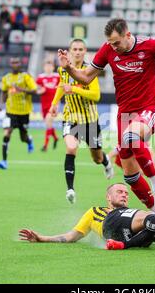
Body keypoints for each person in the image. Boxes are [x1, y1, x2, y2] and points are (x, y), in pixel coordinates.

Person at [57, 14, 155, 215]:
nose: (113, 47)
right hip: (125, 115)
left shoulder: (149, 46)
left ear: (127, 35)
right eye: (110, 43)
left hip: (150, 109)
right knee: (130, 175)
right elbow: (86, 78)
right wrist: (69, 68)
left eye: (116, 43)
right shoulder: (108, 50)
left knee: (131, 137)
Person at [19, 183, 155, 250]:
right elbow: (71, 236)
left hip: (127, 239)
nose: (125, 194)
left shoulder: (133, 216)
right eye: (120, 192)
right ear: (108, 197)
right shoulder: (95, 212)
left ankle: (123, 246)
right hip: (111, 226)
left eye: (126, 192)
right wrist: (42, 237)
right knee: (150, 216)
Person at [49, 39, 114, 204]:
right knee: (71, 147)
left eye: (80, 49)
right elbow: (62, 85)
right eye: (74, 49)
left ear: (85, 51)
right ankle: (70, 189)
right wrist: (54, 104)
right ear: (70, 51)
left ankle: (106, 161)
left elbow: (96, 95)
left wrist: (75, 89)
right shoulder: (63, 69)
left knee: (96, 158)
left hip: (90, 120)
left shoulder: (90, 70)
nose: (77, 52)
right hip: (71, 118)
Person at [0, 57, 37, 170]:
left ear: (20, 63)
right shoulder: (6, 78)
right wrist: (1, 104)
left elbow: (35, 91)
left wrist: (21, 89)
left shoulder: (26, 76)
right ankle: (4, 161)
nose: (15, 64)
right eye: (13, 62)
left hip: (24, 112)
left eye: (17, 62)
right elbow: (3, 91)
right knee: (7, 133)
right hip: (10, 111)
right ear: (10, 64)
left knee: (22, 137)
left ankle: (29, 140)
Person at [36, 60, 60, 152]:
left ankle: (45, 145)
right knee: (48, 124)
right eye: (47, 66)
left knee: (48, 121)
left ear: (53, 67)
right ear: (44, 67)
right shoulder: (40, 78)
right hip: (44, 105)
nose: (48, 68)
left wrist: (57, 103)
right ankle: (55, 138)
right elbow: (36, 89)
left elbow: (61, 88)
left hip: (54, 104)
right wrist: (40, 91)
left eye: (50, 66)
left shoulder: (57, 77)